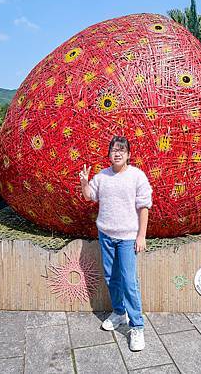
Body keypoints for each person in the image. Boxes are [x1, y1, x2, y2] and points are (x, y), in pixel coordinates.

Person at [79, 135, 152, 351]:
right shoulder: (102, 176)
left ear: (128, 154)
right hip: (106, 235)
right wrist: (84, 182)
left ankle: (137, 326)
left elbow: (144, 207)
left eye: (122, 150)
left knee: (129, 281)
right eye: (113, 150)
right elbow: (89, 196)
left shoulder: (137, 176)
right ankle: (119, 312)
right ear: (109, 154)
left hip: (128, 237)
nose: (117, 153)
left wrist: (141, 236)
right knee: (111, 277)